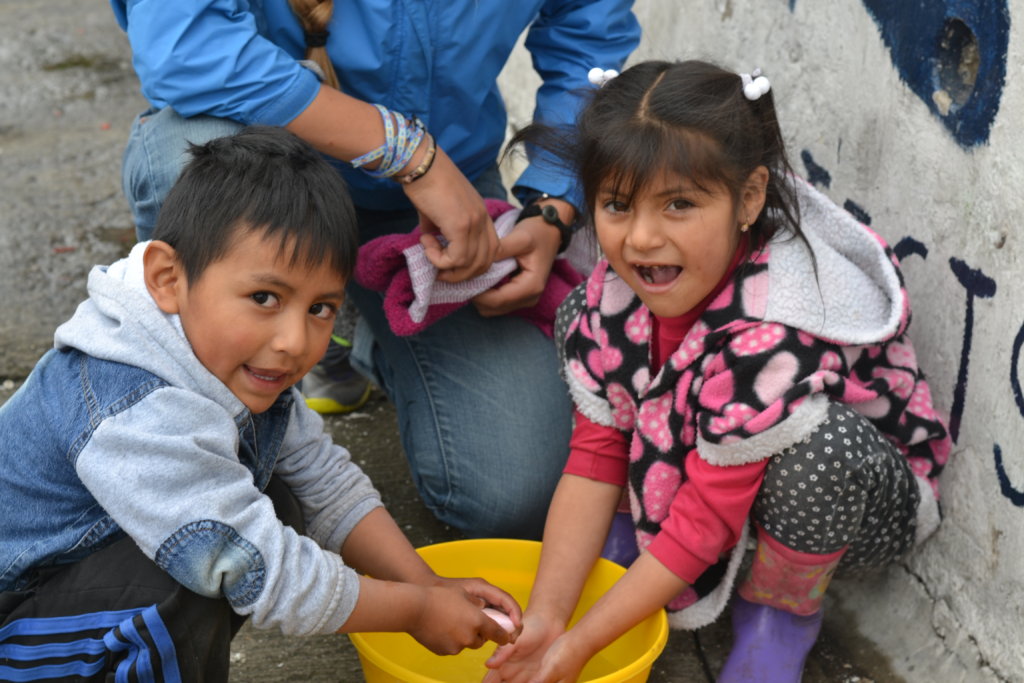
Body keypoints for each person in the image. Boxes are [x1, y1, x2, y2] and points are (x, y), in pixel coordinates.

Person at [484, 60, 952, 683]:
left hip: (844, 506)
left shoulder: (773, 327)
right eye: (617, 204)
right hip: (717, 459)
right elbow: (595, 453)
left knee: (820, 448)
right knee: (583, 313)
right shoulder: (622, 290)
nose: (642, 238)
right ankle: (630, 538)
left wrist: (584, 642)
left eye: (679, 203)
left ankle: (778, 614)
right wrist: (548, 618)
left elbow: (707, 519)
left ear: (749, 197)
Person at [0, 127, 521, 681]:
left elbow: (323, 480)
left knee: (277, 497)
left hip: (67, 584)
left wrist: (426, 584)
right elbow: (251, 567)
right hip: (16, 620)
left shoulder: (224, 355)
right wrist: (413, 612)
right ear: (168, 279)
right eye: (264, 298)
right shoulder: (132, 404)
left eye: (321, 308)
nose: (295, 341)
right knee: (191, 574)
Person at [108, 0, 641, 541]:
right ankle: (193, 435)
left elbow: (588, 35)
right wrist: (405, 152)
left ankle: (353, 325)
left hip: (442, 192)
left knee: (518, 492)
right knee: (187, 155)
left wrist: (553, 206)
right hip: (263, 152)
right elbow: (188, 45)